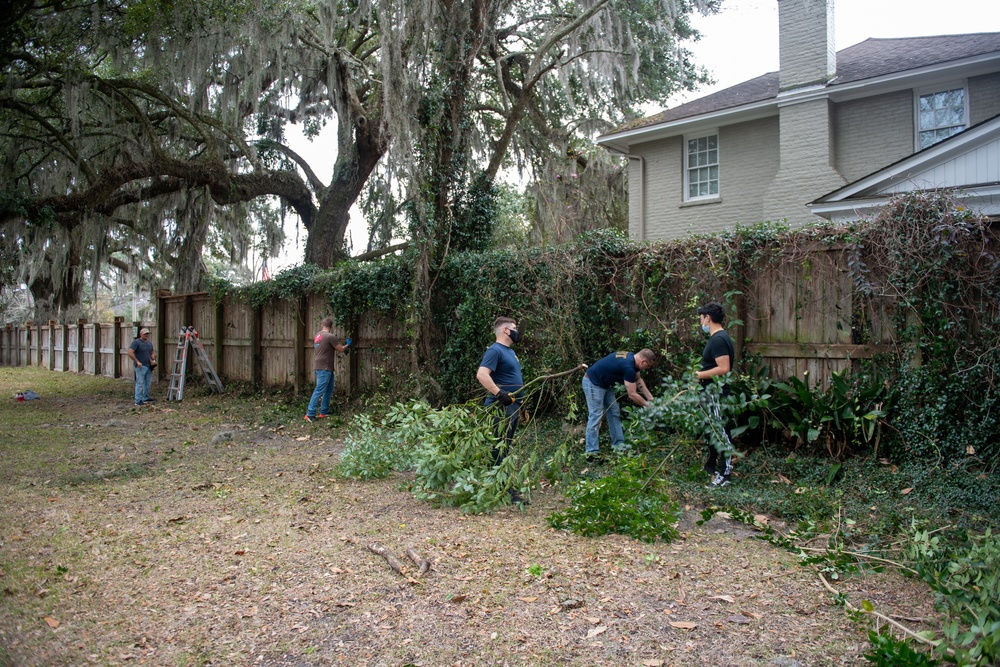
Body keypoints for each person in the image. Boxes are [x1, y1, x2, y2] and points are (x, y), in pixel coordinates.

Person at [475, 316, 526, 504]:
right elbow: (482, 374)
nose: (516, 331)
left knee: (505, 446)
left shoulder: (509, 352)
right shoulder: (495, 350)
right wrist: (500, 394)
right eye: (514, 328)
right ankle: (503, 489)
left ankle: (501, 486)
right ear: (505, 330)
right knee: (499, 448)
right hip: (500, 408)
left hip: (511, 406)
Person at [582, 349, 656, 458]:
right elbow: (632, 394)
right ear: (643, 361)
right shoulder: (628, 367)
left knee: (614, 412)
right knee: (596, 415)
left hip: (604, 384)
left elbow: (638, 379)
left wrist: (650, 398)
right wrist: (648, 406)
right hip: (592, 382)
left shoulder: (632, 358)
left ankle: (618, 445)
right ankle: (591, 453)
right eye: (648, 366)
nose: (648, 368)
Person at [696, 302, 736, 488]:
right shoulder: (718, 338)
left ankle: (725, 474)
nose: (700, 322)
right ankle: (711, 466)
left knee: (721, 432)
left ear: (708, 318)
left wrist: (698, 375)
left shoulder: (718, 339)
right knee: (714, 430)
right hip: (711, 392)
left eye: (701, 318)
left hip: (717, 393)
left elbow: (724, 368)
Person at [305, 317, 351, 422]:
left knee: (329, 389)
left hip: (321, 366)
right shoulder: (330, 336)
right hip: (324, 367)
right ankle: (310, 414)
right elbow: (340, 349)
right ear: (331, 326)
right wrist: (348, 344)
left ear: (322, 325)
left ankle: (324, 411)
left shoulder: (317, 335)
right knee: (319, 390)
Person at [127, 327, 156, 406]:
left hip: (149, 366)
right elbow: (130, 352)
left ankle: (146, 397)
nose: (146, 335)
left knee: (147, 383)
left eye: (147, 334)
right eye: (145, 334)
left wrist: (153, 358)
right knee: (140, 383)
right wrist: (137, 361)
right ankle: (138, 400)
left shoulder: (149, 343)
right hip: (140, 366)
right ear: (141, 334)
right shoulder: (136, 343)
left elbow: (152, 352)